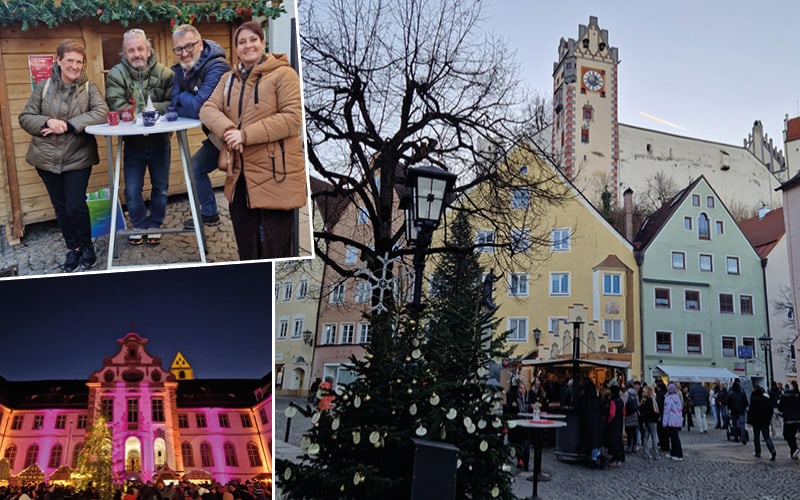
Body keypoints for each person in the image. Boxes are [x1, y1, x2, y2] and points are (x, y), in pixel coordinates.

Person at [200, 20, 306, 260]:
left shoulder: (284, 75)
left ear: (262, 42)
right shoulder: (229, 79)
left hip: (276, 172)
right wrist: (229, 131)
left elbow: (292, 119)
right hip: (240, 175)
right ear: (236, 47)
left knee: (276, 247)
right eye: (242, 42)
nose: (248, 46)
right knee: (246, 246)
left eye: (253, 39)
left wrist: (244, 135)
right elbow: (207, 109)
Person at [18, 39, 108, 272]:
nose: (75, 66)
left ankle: (86, 246)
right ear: (59, 61)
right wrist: (47, 121)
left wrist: (68, 125)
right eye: (70, 60)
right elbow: (26, 117)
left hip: (78, 156)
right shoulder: (44, 87)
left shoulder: (90, 89)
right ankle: (73, 249)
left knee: (75, 205)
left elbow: (102, 113)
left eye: (79, 61)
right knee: (60, 206)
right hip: (45, 157)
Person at [105, 28, 174, 246]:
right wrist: (152, 110)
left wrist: (140, 111)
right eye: (131, 50)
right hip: (133, 143)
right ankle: (138, 224)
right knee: (132, 190)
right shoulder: (116, 74)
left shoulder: (165, 73)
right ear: (125, 53)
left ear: (149, 49)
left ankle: (155, 223)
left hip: (160, 141)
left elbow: (173, 102)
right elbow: (117, 105)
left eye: (140, 49)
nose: (137, 54)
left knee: (161, 187)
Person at [170, 24, 231, 229]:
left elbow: (199, 108)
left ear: (201, 44)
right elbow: (173, 101)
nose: (184, 53)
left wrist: (183, 97)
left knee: (243, 186)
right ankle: (209, 213)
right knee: (195, 167)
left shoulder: (217, 66)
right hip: (217, 136)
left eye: (189, 46)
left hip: (234, 135)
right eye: (178, 49)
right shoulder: (184, 69)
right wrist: (185, 98)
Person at [575, 377, 604, 467]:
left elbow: (578, 408)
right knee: (594, 442)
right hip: (597, 423)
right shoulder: (597, 398)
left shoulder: (584, 398)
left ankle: (597, 458)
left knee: (591, 442)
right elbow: (602, 409)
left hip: (587, 423)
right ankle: (594, 459)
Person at [748, 385, 777, 460]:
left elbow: (751, 411)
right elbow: (770, 410)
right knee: (767, 437)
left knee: (756, 437)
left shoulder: (753, 399)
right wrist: (768, 418)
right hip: (765, 421)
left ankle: (758, 452)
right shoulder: (766, 399)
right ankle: (772, 450)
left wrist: (750, 421)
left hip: (756, 422)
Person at [604, 379, 625, 467]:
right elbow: (624, 412)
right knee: (619, 441)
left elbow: (612, 413)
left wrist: (608, 421)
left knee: (614, 442)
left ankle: (616, 459)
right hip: (619, 422)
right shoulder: (620, 400)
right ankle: (621, 459)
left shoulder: (613, 401)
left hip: (613, 424)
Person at [778, 381, 800, 459]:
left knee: (787, 436)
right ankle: (793, 453)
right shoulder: (796, 397)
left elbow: (780, 408)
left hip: (788, 420)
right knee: (792, 436)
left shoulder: (784, 397)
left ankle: (795, 449)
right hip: (797, 420)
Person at [662, 383, 684, 461]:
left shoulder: (668, 398)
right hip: (677, 420)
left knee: (674, 438)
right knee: (674, 437)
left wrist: (664, 422)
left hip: (671, 420)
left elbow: (666, 411)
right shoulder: (677, 398)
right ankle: (673, 452)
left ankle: (678, 454)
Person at [639, 384, 660, 460]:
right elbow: (654, 411)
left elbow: (641, 410)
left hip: (646, 421)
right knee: (654, 437)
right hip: (652, 421)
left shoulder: (643, 400)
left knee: (645, 437)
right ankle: (656, 454)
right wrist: (657, 417)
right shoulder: (651, 400)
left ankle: (646, 454)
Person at [727, 379, 749, 444]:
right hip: (741, 411)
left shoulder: (731, 394)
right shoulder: (742, 393)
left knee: (734, 424)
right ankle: (743, 437)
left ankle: (736, 437)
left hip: (734, 411)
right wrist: (743, 407)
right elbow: (746, 402)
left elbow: (728, 403)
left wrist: (730, 408)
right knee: (742, 425)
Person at [623, 381, 639, 453]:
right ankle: (634, 446)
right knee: (634, 431)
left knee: (629, 431)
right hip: (635, 414)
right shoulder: (636, 393)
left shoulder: (626, 393)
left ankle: (629, 446)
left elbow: (624, 403)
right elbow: (638, 404)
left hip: (628, 414)